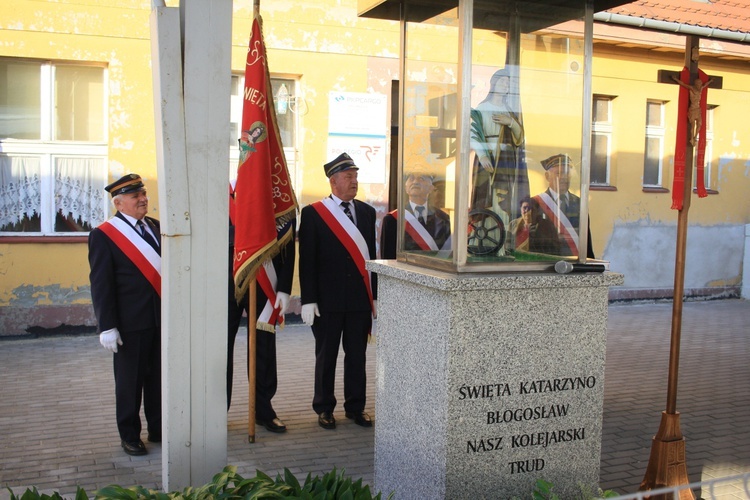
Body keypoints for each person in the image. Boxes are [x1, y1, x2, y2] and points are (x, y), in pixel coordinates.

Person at [298, 152, 377, 430]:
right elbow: (307, 260)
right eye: (348, 177)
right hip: (327, 302)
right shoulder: (313, 214)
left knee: (357, 355)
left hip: (357, 300)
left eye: (355, 176)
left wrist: (374, 295)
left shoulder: (367, 212)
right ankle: (324, 407)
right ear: (333, 182)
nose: (354, 181)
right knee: (327, 355)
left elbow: (371, 259)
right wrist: (308, 299)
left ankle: (356, 407)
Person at [88, 173, 161, 456]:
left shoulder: (154, 226)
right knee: (130, 383)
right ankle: (129, 434)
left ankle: (158, 428)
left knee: (158, 379)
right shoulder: (103, 235)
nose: (143, 199)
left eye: (143, 194)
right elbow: (101, 283)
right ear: (119, 203)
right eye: (136, 196)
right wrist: (107, 326)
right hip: (130, 323)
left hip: (159, 319)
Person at [226, 210, 295, 434]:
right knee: (220, 347)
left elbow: (288, 244)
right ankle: (216, 411)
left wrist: (284, 287)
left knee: (263, 346)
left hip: (265, 278)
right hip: (224, 280)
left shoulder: (274, 194)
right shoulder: (216, 193)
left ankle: (263, 410)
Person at [469, 67, 529, 220]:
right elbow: (472, 133)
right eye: (503, 81)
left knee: (502, 198)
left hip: (505, 160)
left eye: (508, 84)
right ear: (494, 83)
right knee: (486, 194)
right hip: (488, 155)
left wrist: (510, 123)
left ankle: (502, 232)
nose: (505, 86)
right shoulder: (482, 108)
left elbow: (519, 137)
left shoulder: (508, 110)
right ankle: (486, 230)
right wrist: (482, 155)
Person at [380, 166, 451, 259]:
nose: (415, 182)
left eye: (421, 178)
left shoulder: (443, 218)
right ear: (406, 188)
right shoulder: (392, 219)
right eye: (411, 178)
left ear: (430, 188)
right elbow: (388, 258)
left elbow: (447, 253)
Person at [533, 154, 595, 258]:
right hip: (546, 264)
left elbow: (586, 239)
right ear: (547, 176)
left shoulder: (579, 203)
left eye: (567, 173)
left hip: (574, 265)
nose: (563, 177)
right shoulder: (536, 204)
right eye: (558, 173)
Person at [671, 75, 714, 146]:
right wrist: (676, 79)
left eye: (700, 84)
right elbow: (683, 84)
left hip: (698, 109)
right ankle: (691, 138)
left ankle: (695, 137)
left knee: (699, 124)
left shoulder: (701, 89)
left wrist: (710, 81)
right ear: (696, 84)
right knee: (693, 125)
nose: (700, 85)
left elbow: (705, 84)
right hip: (693, 109)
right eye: (698, 84)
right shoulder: (692, 88)